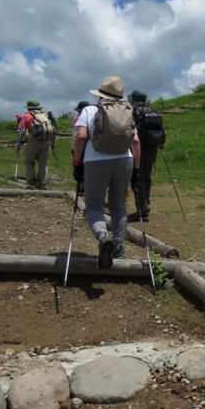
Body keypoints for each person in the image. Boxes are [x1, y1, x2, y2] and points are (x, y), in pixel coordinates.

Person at [72, 77, 140, 268]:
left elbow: (81, 137)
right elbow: (135, 142)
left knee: (94, 205)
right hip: (124, 160)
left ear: (100, 94)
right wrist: (136, 169)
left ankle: (103, 237)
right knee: (119, 205)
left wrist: (77, 163)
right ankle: (118, 248)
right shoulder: (128, 111)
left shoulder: (90, 110)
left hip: (96, 161)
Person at [128, 89, 165, 222]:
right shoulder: (153, 111)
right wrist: (161, 144)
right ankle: (145, 205)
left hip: (139, 148)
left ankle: (142, 211)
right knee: (147, 176)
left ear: (133, 100)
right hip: (153, 148)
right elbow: (162, 130)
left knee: (137, 178)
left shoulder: (133, 112)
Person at [15, 100, 52, 189]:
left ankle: (31, 182)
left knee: (29, 161)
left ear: (28, 107)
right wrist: (52, 142)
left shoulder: (26, 116)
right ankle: (42, 183)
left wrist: (18, 143)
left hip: (33, 141)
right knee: (43, 163)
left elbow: (22, 131)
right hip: (46, 141)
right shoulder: (45, 115)